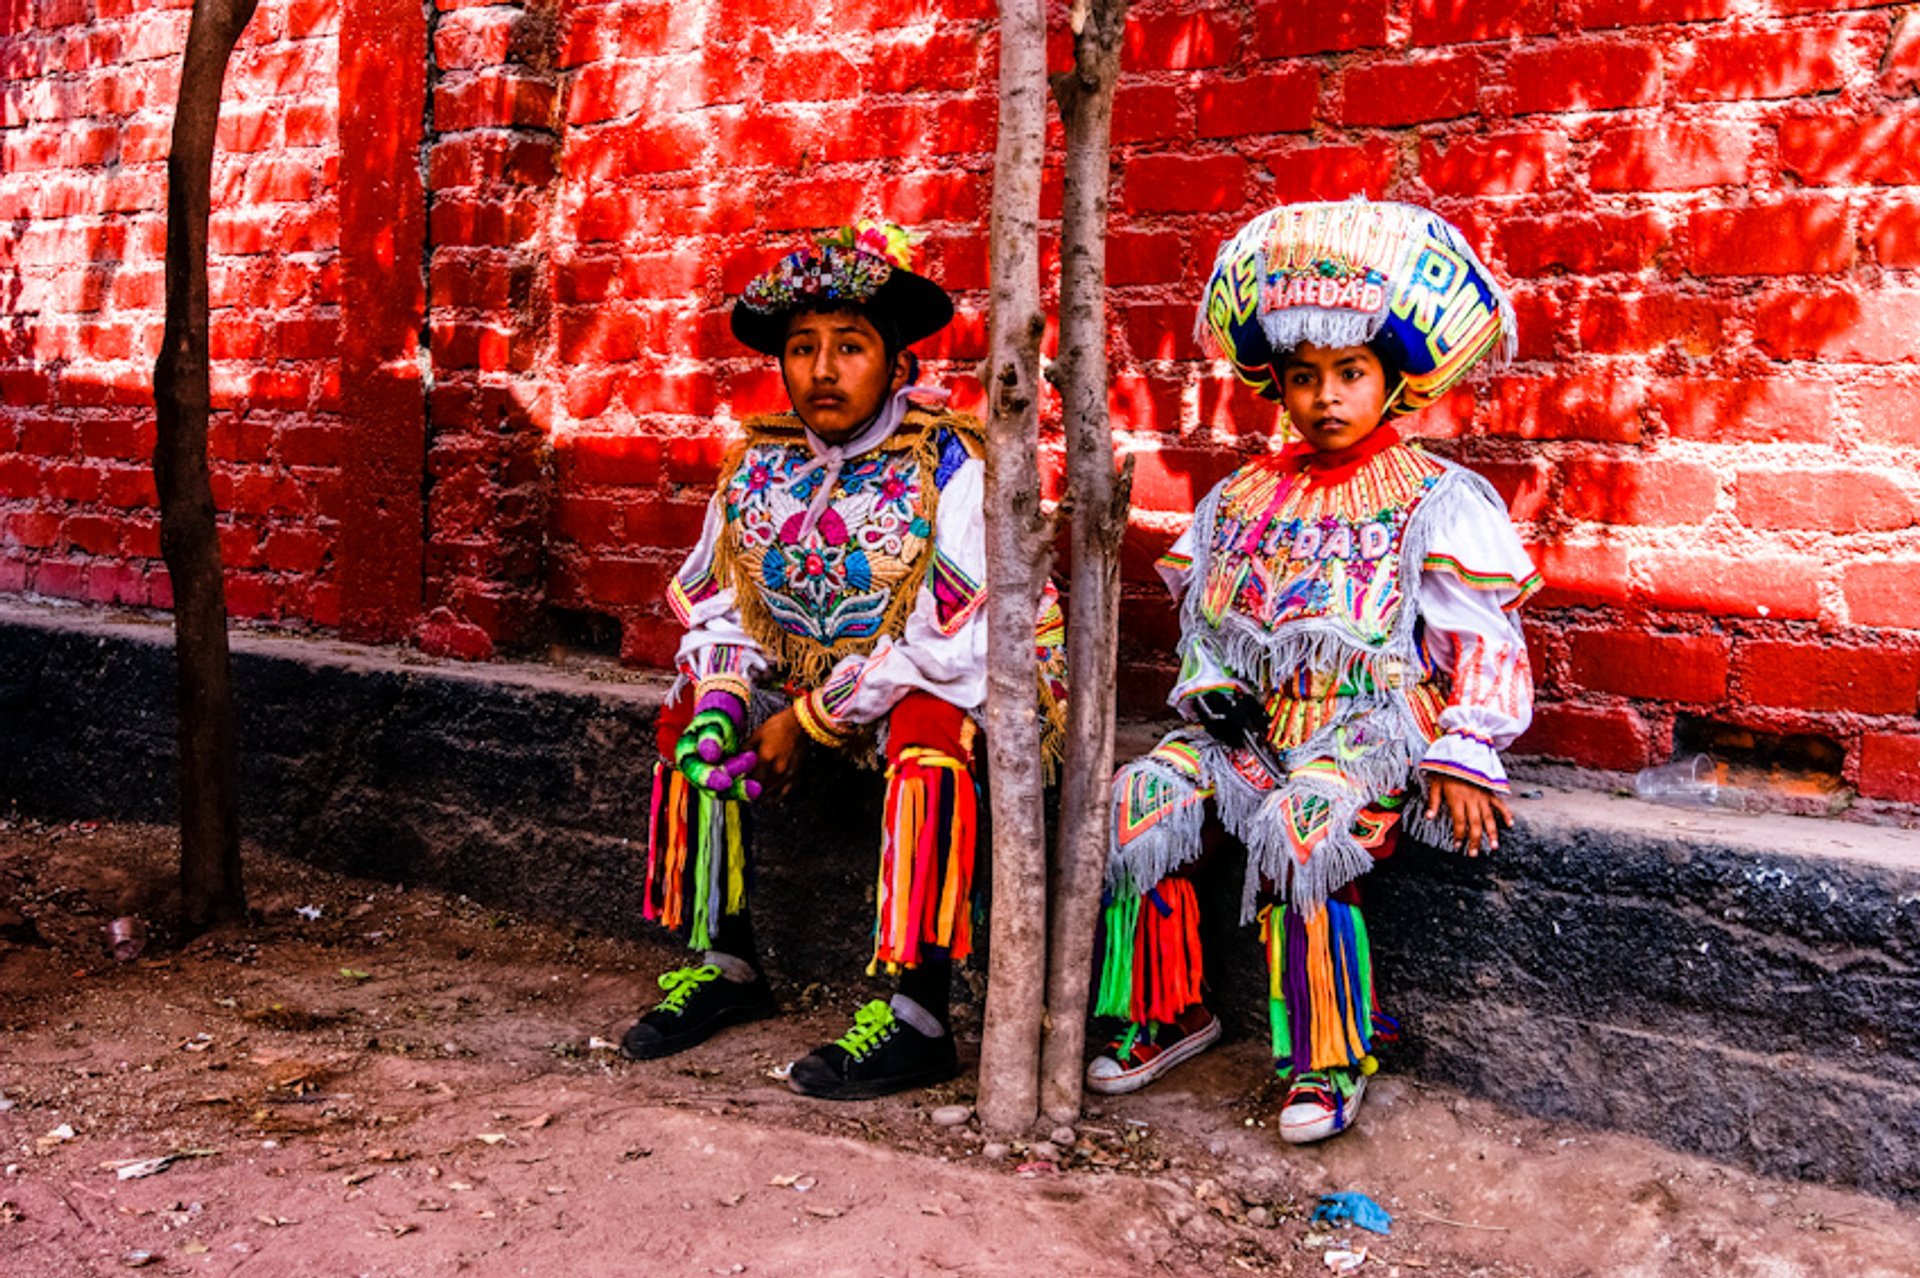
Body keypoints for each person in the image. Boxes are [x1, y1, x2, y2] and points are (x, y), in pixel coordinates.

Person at [1087, 199, 1540, 1144]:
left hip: (1371, 725)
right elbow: (1208, 636)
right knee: (1141, 801)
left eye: (1349, 373)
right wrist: (1209, 690)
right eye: (1304, 377)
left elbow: (1482, 641)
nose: (1325, 397)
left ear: (1393, 381)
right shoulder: (1240, 499)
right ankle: (1169, 1010)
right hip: (1256, 730)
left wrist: (1466, 747)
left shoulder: (1437, 497)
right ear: (1277, 386)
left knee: (1305, 832)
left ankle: (1327, 1054)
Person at [623, 220, 1066, 1101]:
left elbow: (954, 647)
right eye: (803, 348)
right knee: (692, 716)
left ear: (898, 366)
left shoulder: (954, 463)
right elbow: (724, 607)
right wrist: (724, 697)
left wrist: (808, 720)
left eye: (851, 347)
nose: (824, 370)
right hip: (817, 679)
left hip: (944, 687)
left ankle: (919, 1014)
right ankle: (727, 961)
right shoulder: (757, 463)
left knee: (930, 733)